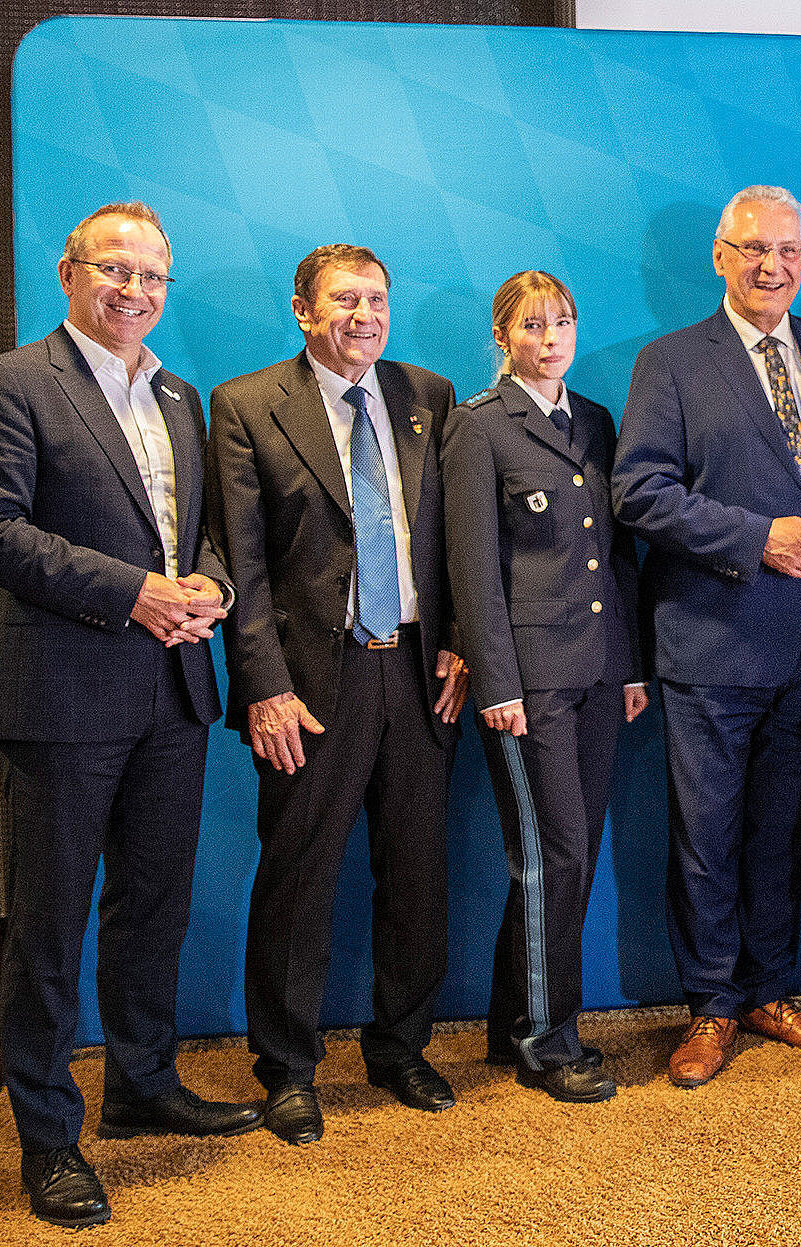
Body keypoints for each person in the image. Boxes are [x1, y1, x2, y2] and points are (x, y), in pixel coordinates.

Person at [0, 202, 261, 1228]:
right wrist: (133, 591)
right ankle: (49, 1138)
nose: (136, 291)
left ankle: (142, 1084)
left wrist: (212, 591)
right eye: (115, 270)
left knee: (153, 906)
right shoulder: (15, 382)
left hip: (172, 691)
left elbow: (209, 537)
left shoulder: (180, 396)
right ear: (69, 272)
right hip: (63, 692)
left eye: (153, 276)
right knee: (50, 926)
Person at [206, 244, 468, 1144]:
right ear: (302, 309)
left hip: (418, 668)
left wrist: (463, 644)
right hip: (312, 683)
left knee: (417, 870)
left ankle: (400, 1045)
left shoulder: (427, 395)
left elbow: (454, 539)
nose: (364, 314)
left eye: (378, 298)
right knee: (299, 874)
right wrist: (264, 691)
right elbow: (239, 561)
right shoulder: (245, 405)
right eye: (345, 299)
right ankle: (286, 1066)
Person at [612, 185, 801, 1087]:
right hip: (711, 643)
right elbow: (638, 492)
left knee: (785, 834)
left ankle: (769, 989)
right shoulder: (671, 361)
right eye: (755, 249)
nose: (773, 267)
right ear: (720, 255)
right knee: (707, 835)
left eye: (789, 252)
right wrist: (754, 538)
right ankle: (711, 1004)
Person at [442, 272, 646, 1103]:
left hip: (595, 671)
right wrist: (495, 681)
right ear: (504, 337)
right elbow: (472, 568)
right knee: (550, 855)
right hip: (526, 684)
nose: (551, 337)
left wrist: (628, 662)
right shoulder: (478, 428)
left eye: (562, 321)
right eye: (533, 325)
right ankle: (544, 1036)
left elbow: (614, 557)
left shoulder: (592, 420)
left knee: (571, 855)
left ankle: (509, 1019)